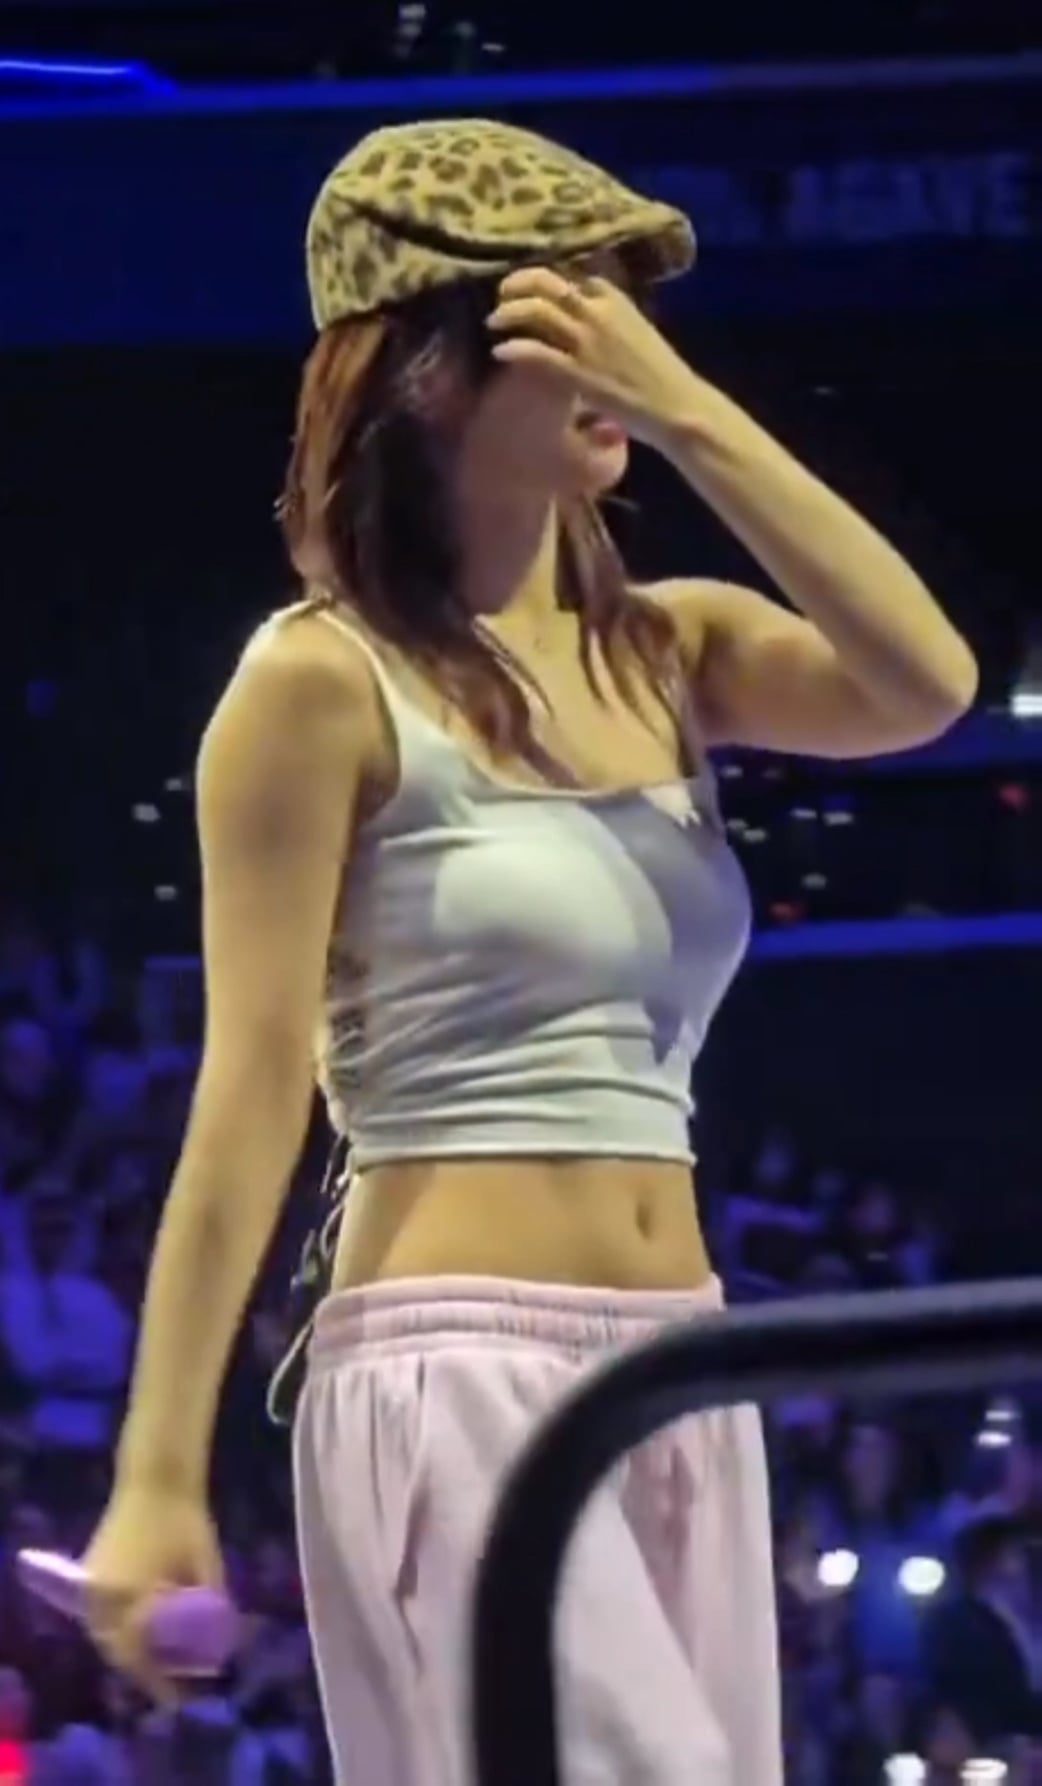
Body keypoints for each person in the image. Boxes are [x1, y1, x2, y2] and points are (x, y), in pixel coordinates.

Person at [80, 118, 978, 1785]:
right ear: (429, 370)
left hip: (683, 1362)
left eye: (627, 311)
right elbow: (251, 1088)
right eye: (570, 310)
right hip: (456, 1366)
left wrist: (693, 411)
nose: (618, 348)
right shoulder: (319, 682)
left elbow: (924, 683)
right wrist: (156, 1471)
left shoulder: (671, 650)